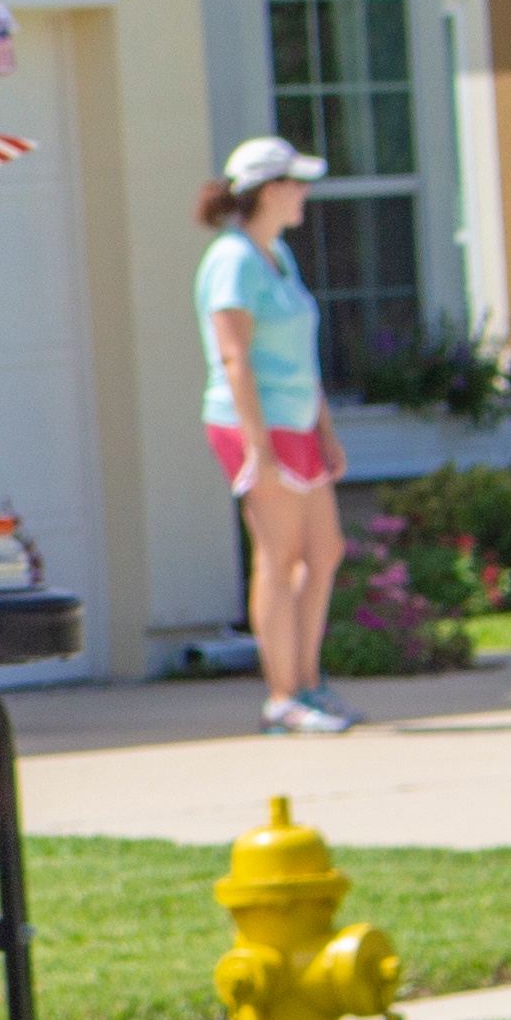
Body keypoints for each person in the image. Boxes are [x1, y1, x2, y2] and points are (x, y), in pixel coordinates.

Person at [199, 136, 358, 735]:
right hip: (254, 429)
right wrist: (258, 448)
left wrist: (327, 432)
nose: (304, 196)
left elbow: (298, 355)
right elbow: (236, 358)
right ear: (269, 191)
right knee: (278, 555)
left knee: (323, 553)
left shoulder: (278, 256)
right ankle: (283, 698)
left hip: (298, 425)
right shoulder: (231, 260)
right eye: (295, 184)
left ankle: (309, 685)